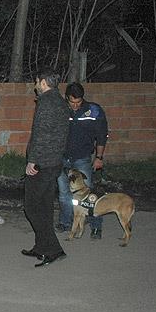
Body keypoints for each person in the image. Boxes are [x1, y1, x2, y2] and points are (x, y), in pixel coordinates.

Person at [20, 69, 71, 267]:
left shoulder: (46, 103)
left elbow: (41, 135)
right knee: (45, 207)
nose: (35, 85)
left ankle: (53, 249)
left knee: (32, 208)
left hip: (42, 163)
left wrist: (32, 161)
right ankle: (41, 247)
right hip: (54, 162)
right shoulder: (60, 101)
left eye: (36, 82)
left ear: (42, 82)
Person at [55, 82, 109, 239]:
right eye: (72, 102)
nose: (75, 105)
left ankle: (95, 226)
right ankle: (66, 222)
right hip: (63, 158)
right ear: (67, 98)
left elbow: (102, 135)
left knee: (88, 194)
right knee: (64, 194)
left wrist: (99, 157)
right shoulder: (61, 110)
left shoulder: (93, 110)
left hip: (82, 158)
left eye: (78, 102)